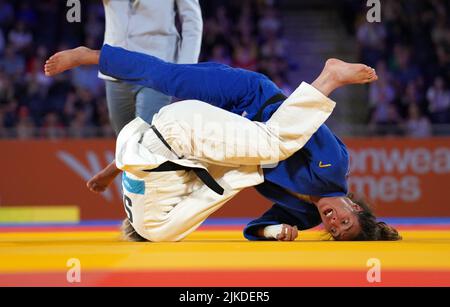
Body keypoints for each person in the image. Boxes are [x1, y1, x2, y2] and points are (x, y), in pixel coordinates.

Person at [44, 44, 401, 242]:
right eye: (344, 223)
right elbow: (292, 115)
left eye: (334, 233)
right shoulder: (333, 165)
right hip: (247, 98)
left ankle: (120, 163)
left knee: (179, 150)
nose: (333, 223)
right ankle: (90, 56)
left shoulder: (305, 214)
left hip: (215, 134)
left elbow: (252, 229)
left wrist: (277, 230)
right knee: (167, 77)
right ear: (355, 208)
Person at [101, 0, 203, 133]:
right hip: (116, 65)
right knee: (123, 142)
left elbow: (192, 21)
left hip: (157, 64)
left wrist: (185, 69)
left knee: (146, 140)